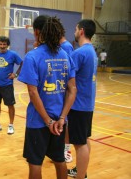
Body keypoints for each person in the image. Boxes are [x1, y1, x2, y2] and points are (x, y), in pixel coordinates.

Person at [18, 16, 76, 179]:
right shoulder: (65, 55)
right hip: (60, 121)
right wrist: (62, 118)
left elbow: (32, 92)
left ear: (37, 32)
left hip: (38, 121)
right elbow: (73, 89)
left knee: (36, 163)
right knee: (60, 160)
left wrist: (47, 120)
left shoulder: (32, 56)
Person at [67, 19, 97, 179]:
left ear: (82, 31)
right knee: (83, 140)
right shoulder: (91, 51)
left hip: (79, 104)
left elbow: (68, 78)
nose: (74, 31)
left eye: (76, 29)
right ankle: (81, 170)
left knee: (79, 144)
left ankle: (81, 176)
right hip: (87, 103)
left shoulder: (79, 53)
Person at [0, 36, 23, 135]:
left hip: (7, 85)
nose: (2, 46)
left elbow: (22, 63)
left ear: (7, 45)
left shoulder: (13, 54)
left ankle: (11, 125)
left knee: (10, 105)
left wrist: (15, 74)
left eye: (4, 44)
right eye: (1, 44)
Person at [59, 33, 74, 163]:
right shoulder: (61, 46)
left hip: (65, 91)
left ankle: (67, 150)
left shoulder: (66, 47)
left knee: (65, 121)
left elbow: (68, 70)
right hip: (60, 90)